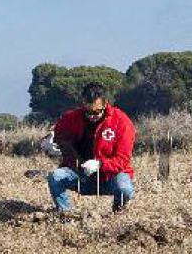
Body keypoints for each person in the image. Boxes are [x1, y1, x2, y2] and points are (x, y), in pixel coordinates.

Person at [45, 82, 136, 213]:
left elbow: (123, 160)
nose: (92, 116)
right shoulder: (70, 118)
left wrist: (100, 164)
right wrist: (50, 144)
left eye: (97, 112)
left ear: (105, 104)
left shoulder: (122, 122)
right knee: (55, 176)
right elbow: (57, 137)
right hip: (80, 175)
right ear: (83, 104)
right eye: (88, 112)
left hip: (110, 177)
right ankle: (65, 214)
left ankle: (118, 211)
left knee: (125, 190)